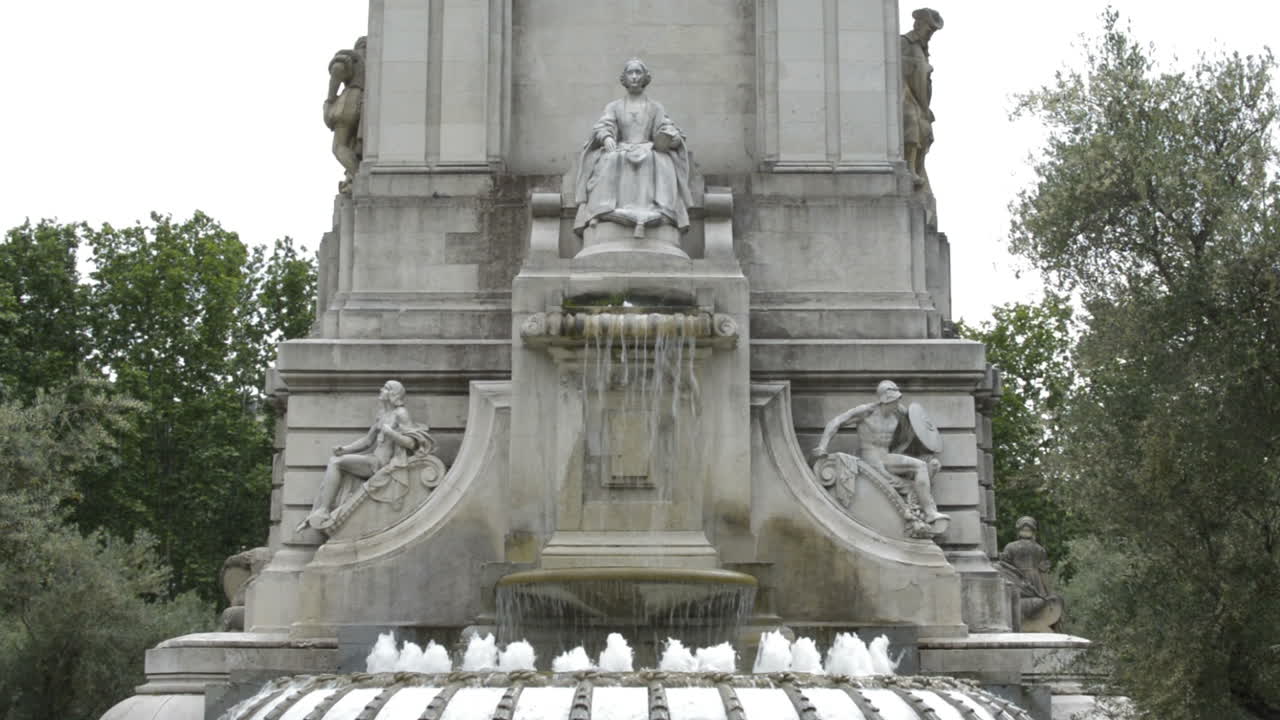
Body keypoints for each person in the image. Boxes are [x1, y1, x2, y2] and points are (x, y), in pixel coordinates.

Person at [573, 59, 693, 239]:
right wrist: (606, 137)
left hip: (647, 148)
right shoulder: (614, 106)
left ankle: (658, 209)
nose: (635, 77)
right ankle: (602, 209)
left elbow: (666, 128)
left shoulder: (655, 107)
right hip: (622, 148)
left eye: (638, 73)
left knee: (659, 159)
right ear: (624, 78)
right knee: (611, 159)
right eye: (631, 73)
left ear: (645, 78)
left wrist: (670, 138)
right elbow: (604, 125)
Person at [813, 380, 948, 523]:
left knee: (921, 466)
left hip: (886, 457)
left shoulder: (899, 412)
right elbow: (836, 422)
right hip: (870, 457)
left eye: (897, 400)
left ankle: (930, 512)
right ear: (885, 401)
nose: (897, 404)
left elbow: (915, 428)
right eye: (894, 401)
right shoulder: (866, 412)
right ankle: (917, 501)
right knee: (901, 482)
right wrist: (822, 446)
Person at [298, 379, 424, 532]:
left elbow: (411, 443)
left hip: (381, 465)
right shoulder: (382, 415)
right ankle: (319, 510)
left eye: (385, 388)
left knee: (336, 463)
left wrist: (391, 433)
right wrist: (344, 449)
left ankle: (323, 510)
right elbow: (367, 441)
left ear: (393, 394)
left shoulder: (401, 414)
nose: (381, 389)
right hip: (373, 459)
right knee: (336, 460)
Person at [901, 9, 943, 191]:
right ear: (918, 25)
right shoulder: (905, 42)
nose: (930, 34)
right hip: (905, 92)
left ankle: (916, 167)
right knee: (912, 119)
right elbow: (898, 67)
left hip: (920, 97)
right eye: (929, 30)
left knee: (925, 128)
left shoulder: (922, 48)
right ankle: (909, 169)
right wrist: (921, 68)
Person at [324, 36, 367, 194]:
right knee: (351, 144)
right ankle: (354, 176)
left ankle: (360, 177)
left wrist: (330, 100)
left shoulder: (353, 56)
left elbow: (337, 69)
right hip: (365, 102)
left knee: (338, 146)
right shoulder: (378, 57)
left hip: (350, 99)